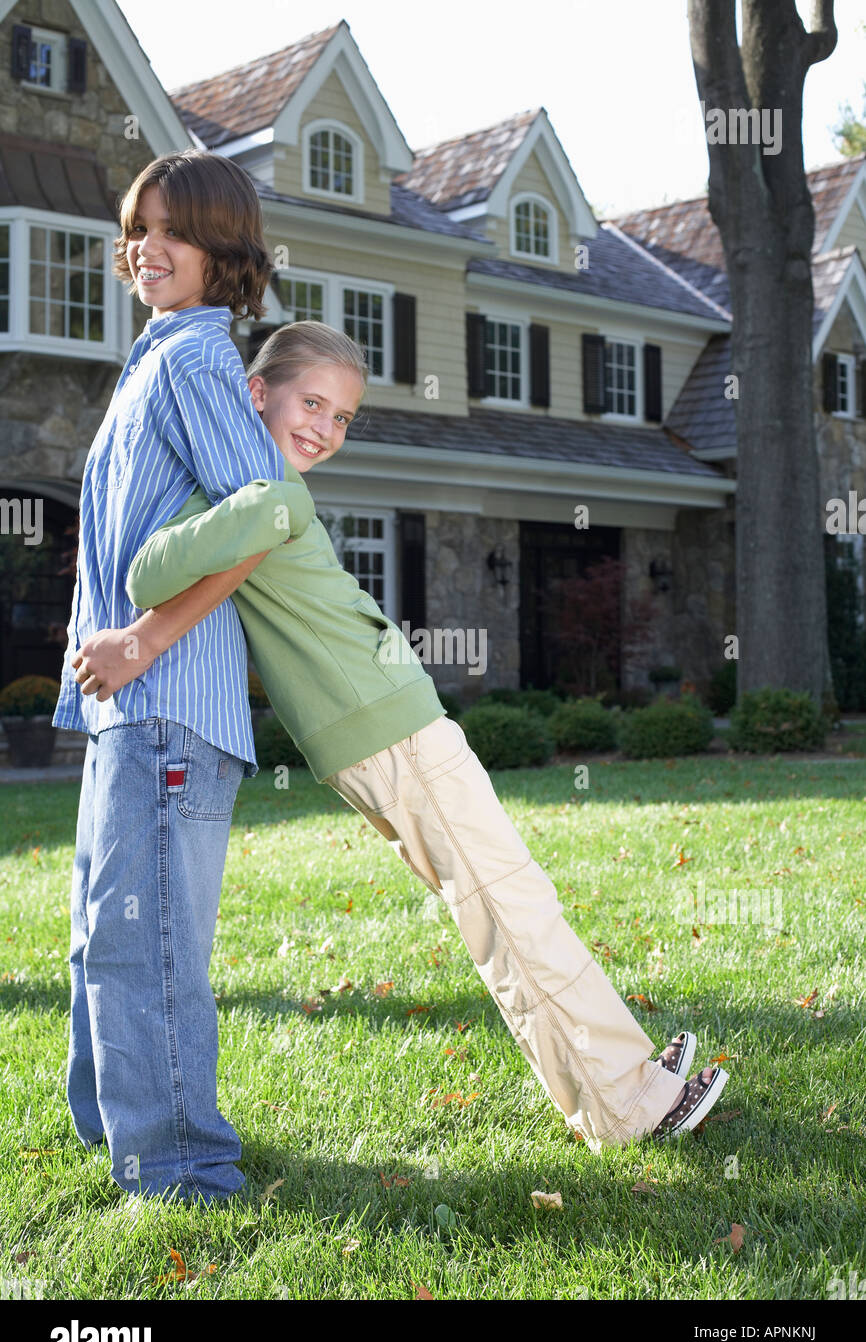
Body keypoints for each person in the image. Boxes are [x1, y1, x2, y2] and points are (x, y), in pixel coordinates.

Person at [78, 319, 730, 1156]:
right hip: (392, 733)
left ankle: (612, 1083)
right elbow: (146, 572)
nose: (324, 427)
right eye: (310, 402)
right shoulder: (263, 492)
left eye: (343, 417)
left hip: (394, 725)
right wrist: (251, 519)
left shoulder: (267, 489)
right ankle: (629, 1096)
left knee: (498, 904)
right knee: (512, 901)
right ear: (255, 394)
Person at [51, 150, 313, 1204]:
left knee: (142, 946)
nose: (144, 246)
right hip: (130, 710)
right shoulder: (157, 356)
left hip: (164, 706)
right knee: (101, 933)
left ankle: (183, 1170)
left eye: (172, 229)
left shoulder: (196, 359)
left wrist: (143, 643)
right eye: (135, 227)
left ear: (223, 250)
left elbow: (266, 512)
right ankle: (110, 1132)